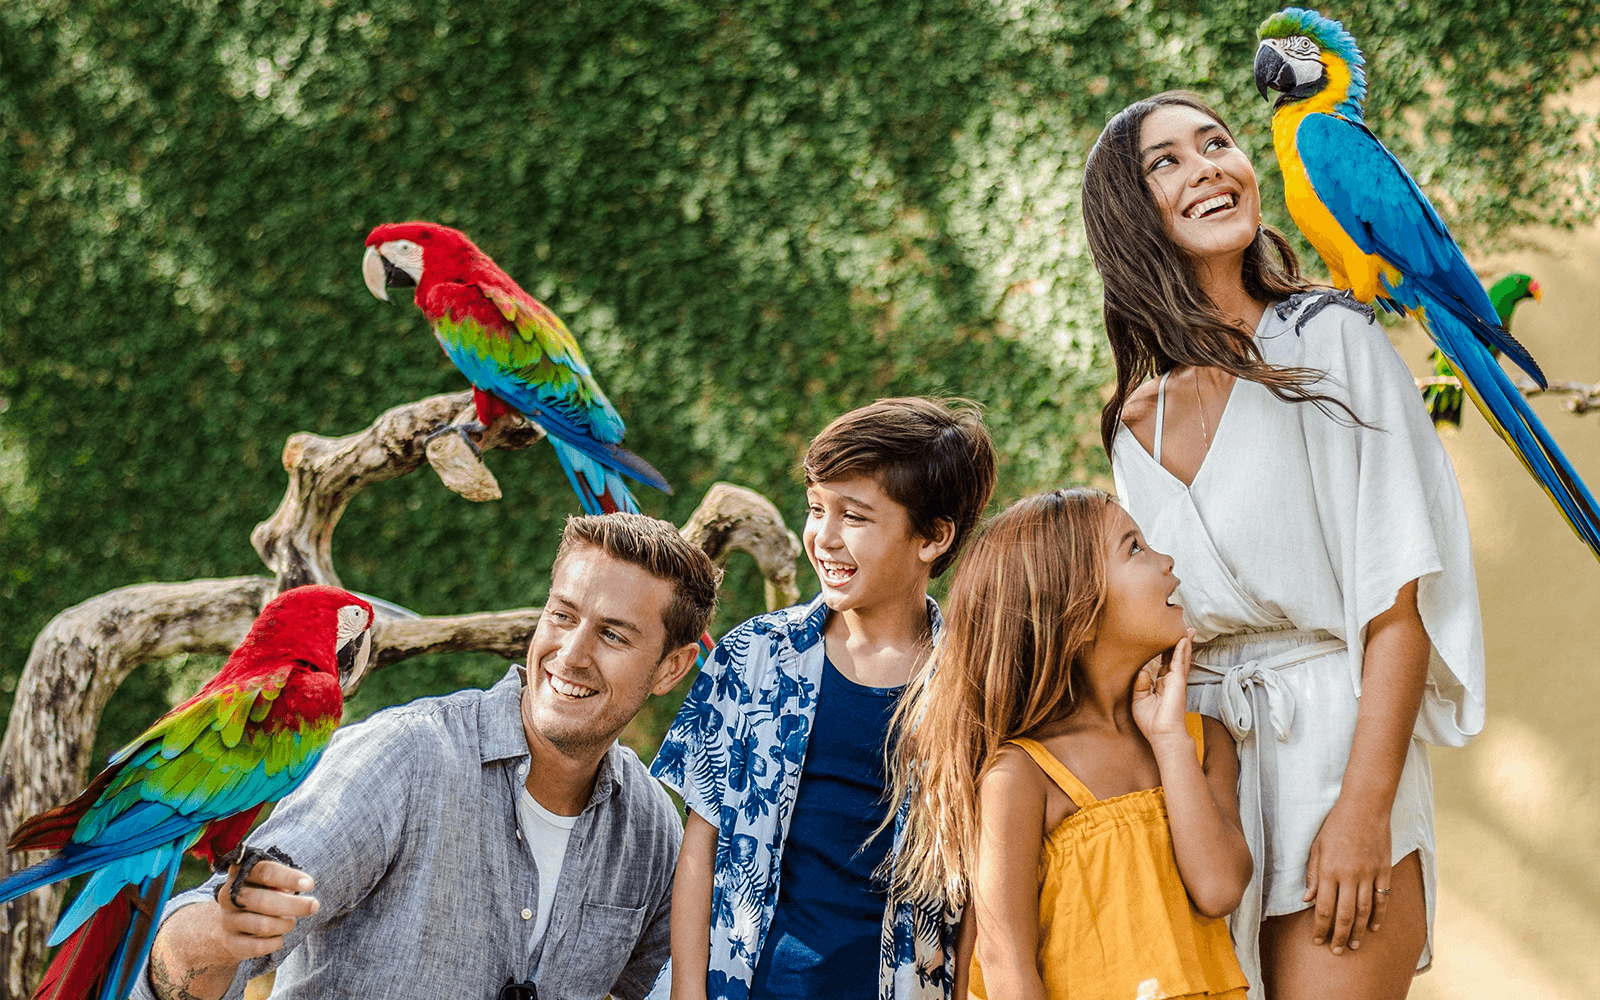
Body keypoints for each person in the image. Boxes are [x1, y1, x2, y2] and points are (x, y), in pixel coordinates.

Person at [1082, 91, 1485, 1000]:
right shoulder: (1132, 427)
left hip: (1337, 749)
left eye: (1217, 143)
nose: (1209, 166)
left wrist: (1362, 809)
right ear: (1128, 213)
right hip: (1202, 786)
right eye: (1168, 161)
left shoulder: (1334, 341)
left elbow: (1396, 605)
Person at [134, 512, 721, 1000]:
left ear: (671, 667)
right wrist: (221, 929)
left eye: (613, 635)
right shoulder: (403, 760)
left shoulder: (648, 826)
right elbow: (174, 966)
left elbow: (687, 980)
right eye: (562, 616)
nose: (570, 654)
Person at [648, 397, 997, 1000]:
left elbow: (983, 891)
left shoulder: (974, 688)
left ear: (933, 537)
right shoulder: (752, 656)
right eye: (816, 508)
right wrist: (687, 992)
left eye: (854, 517)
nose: (824, 537)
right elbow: (700, 846)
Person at [886, 488, 1253, 1000]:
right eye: (1135, 548)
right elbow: (1004, 960)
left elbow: (1220, 889)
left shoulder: (1199, 740)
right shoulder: (1020, 775)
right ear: (1075, 612)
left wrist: (1169, 741)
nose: (1167, 561)